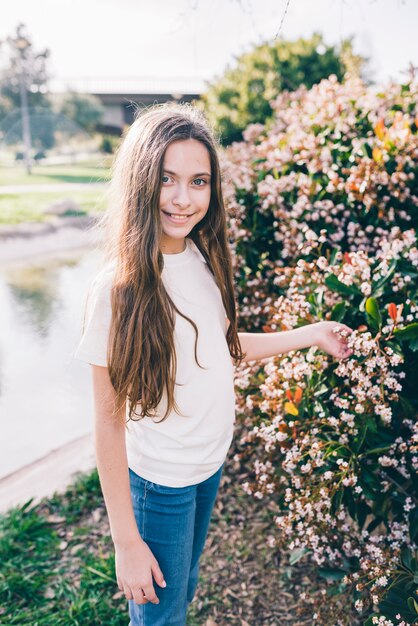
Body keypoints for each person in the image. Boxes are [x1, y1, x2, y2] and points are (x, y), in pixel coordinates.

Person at [75, 102, 353, 626]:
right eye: (167, 179)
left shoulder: (198, 255)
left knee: (184, 589)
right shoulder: (117, 290)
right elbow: (107, 422)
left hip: (207, 467)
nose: (184, 199)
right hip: (160, 485)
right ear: (140, 182)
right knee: (160, 615)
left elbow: (222, 347)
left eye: (199, 181)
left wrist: (310, 335)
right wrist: (125, 542)